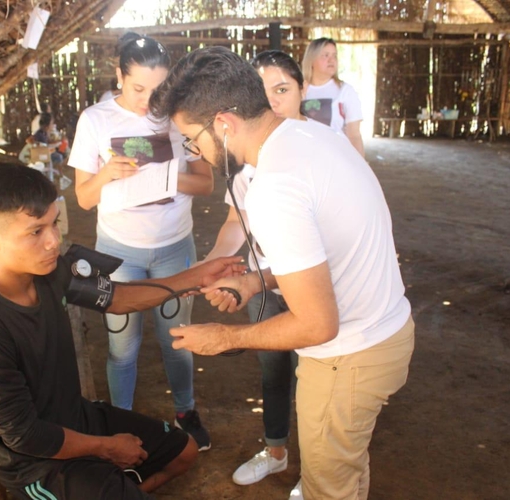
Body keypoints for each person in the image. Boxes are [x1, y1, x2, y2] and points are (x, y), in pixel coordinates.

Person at [150, 46, 414, 500]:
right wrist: (256, 280)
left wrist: (225, 338)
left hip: (346, 359)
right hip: (386, 334)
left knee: (327, 488)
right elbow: (330, 252)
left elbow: (317, 324)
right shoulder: (312, 137)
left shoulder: (273, 188)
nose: (197, 151)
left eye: (193, 139)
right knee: (348, 468)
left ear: (224, 125)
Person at [0, 163, 243, 500]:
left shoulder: (50, 274)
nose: (53, 241)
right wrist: (107, 448)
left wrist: (194, 277)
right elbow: (26, 437)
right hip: (39, 463)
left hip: (78, 418)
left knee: (184, 451)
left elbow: (117, 298)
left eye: (54, 223)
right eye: (35, 231)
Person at [68, 32, 214, 451]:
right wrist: (105, 175)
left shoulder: (180, 117)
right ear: (119, 75)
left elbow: (205, 184)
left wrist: (166, 177)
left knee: (178, 340)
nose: (151, 101)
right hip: (118, 253)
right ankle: (122, 421)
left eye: (159, 90)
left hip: (174, 247)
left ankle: (185, 411)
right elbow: (82, 197)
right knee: (122, 346)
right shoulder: (95, 120)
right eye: (138, 89)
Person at [200, 50, 306, 486]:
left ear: (303, 90)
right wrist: (205, 268)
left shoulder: (314, 155)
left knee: (317, 379)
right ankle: (277, 451)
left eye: (283, 90)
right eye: (263, 93)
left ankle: (317, 470)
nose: (274, 101)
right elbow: (233, 223)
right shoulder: (244, 162)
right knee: (272, 368)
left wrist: (249, 280)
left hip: (305, 287)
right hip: (263, 286)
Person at [301, 37, 365, 156]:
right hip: (306, 158)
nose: (332, 60)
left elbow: (354, 135)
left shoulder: (345, 91)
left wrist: (361, 167)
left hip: (337, 158)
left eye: (334, 55)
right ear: (311, 60)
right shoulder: (299, 90)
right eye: (325, 55)